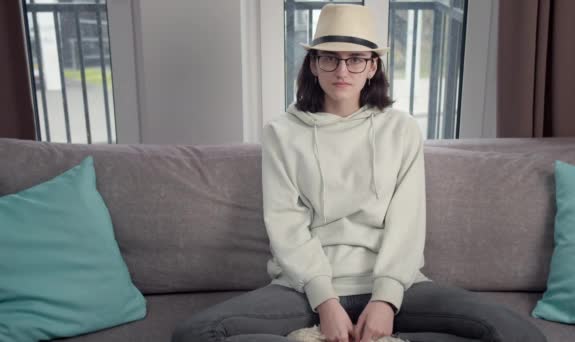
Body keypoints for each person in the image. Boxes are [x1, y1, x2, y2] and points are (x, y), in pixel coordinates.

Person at [172, 4, 547, 342]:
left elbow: (407, 225)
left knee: (516, 331)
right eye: (330, 59)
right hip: (305, 290)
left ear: (372, 67)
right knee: (195, 332)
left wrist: (386, 300)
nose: (342, 70)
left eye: (355, 59)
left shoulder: (401, 130)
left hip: (394, 286)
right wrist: (326, 304)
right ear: (314, 64)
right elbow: (286, 226)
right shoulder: (281, 133)